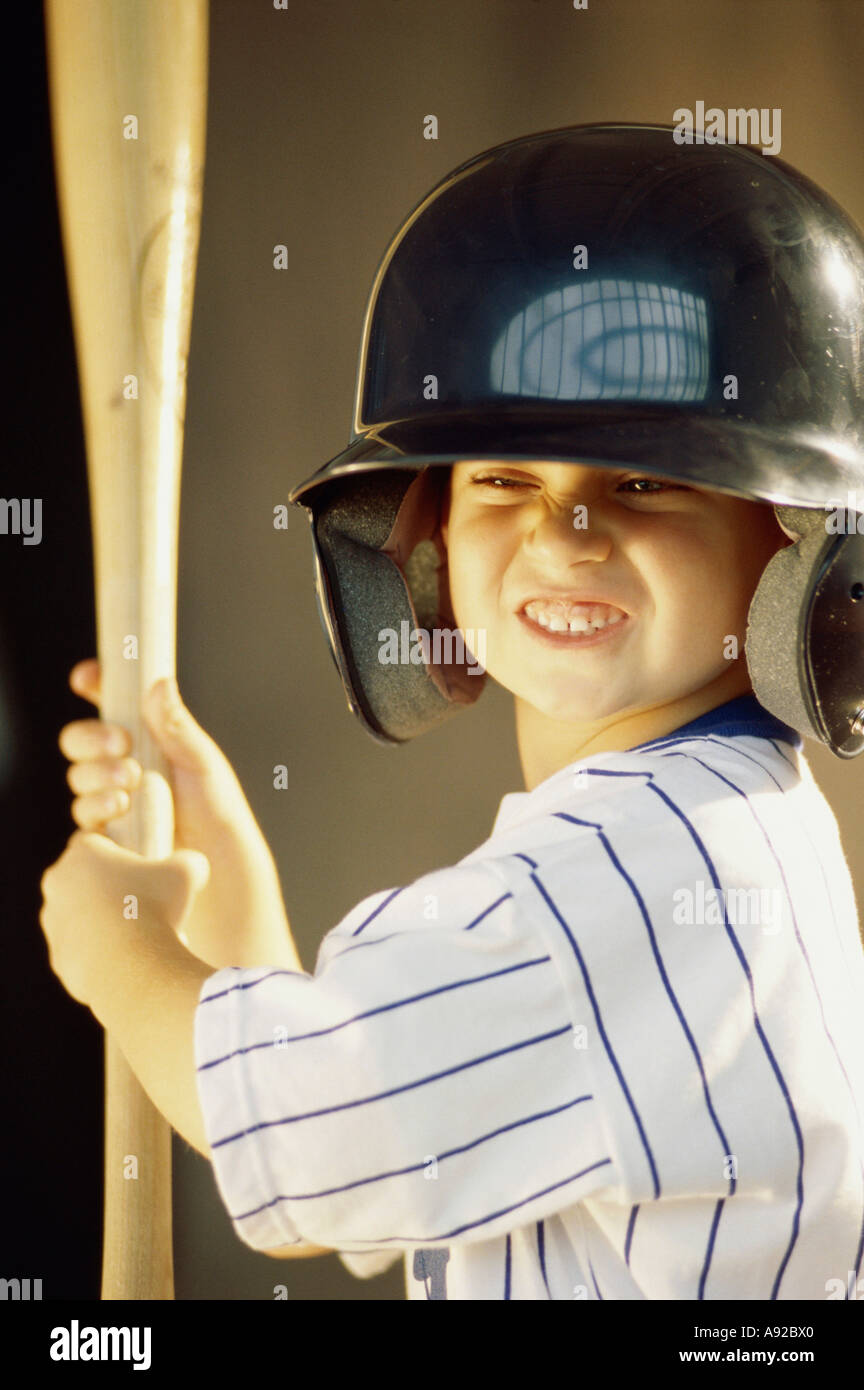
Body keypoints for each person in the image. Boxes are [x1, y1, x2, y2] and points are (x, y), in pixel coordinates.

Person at [40, 124, 864, 1300]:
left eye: (647, 481)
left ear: (789, 546)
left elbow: (320, 1139)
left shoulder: (637, 878)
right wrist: (221, 860)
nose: (563, 533)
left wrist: (115, 952)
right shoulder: (715, 828)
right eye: (503, 477)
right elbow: (385, 1152)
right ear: (420, 535)